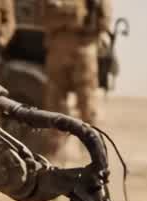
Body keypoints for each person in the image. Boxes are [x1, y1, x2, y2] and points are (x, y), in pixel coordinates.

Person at [39, 0, 112, 157]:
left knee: (87, 103)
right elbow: (44, 13)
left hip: (83, 45)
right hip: (59, 45)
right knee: (54, 102)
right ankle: (56, 153)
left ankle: (93, 153)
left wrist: (99, 32)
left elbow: (103, 15)